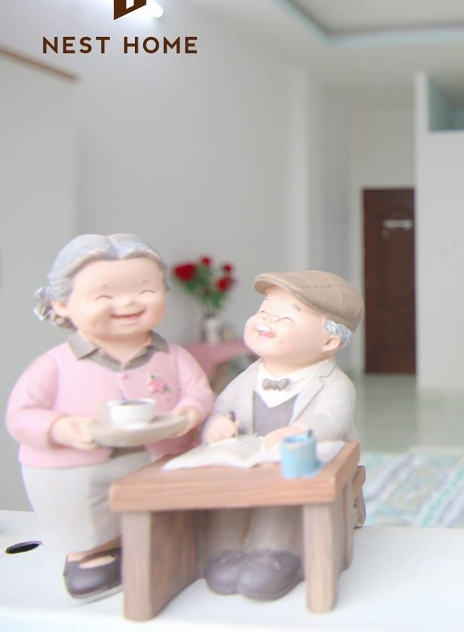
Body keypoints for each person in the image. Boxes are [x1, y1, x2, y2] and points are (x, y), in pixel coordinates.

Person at [5, 234, 215, 600]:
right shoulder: (54, 365)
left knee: (168, 513)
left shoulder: (174, 356)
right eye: (105, 296)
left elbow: (199, 392)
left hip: (161, 458)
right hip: (78, 468)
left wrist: (189, 413)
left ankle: (164, 544)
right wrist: (61, 428)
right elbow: (21, 415)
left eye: (145, 291)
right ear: (62, 304)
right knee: (86, 513)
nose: (128, 303)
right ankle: (90, 554)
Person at [201, 270, 362, 601]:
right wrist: (216, 424)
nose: (267, 321)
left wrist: (299, 431)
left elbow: (331, 419)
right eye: (264, 311)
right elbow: (221, 408)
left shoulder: (334, 384)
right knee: (225, 499)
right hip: (248, 469)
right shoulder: (247, 377)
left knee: (282, 501)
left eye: (286, 318)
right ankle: (231, 549)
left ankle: (275, 553)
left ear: (329, 341)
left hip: (299, 471)